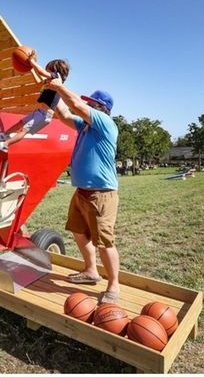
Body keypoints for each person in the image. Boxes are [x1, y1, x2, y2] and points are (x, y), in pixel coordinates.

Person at [45, 76, 121, 304]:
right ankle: (90, 271)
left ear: (101, 109)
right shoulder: (85, 127)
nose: (87, 106)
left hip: (101, 194)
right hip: (81, 192)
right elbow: (65, 113)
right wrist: (49, 90)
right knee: (79, 232)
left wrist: (59, 86)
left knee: (105, 242)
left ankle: (114, 285)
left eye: (92, 104)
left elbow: (76, 106)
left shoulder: (106, 125)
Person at [0, 58, 70, 152]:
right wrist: (31, 70)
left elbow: (41, 72)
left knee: (24, 130)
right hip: (39, 112)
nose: (46, 71)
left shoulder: (56, 77)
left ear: (54, 69)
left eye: (48, 69)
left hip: (45, 116)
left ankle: (5, 145)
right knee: (20, 123)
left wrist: (32, 62)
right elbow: (38, 84)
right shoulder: (49, 81)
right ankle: (4, 135)